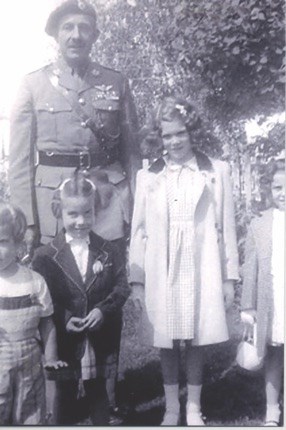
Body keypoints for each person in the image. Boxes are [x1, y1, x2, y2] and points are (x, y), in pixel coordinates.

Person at [129, 96, 239, 426]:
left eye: (180, 133)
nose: (174, 141)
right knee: (166, 338)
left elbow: (228, 228)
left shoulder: (216, 171)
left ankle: (193, 406)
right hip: (163, 266)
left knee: (195, 338)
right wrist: (137, 281)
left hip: (200, 264)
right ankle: (171, 407)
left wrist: (228, 277)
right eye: (167, 136)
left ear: (192, 132)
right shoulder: (148, 176)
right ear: (158, 138)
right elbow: (139, 231)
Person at [9, 0, 140, 252]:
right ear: (56, 35)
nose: (76, 36)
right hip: (54, 207)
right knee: (57, 281)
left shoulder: (116, 82)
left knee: (110, 279)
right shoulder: (32, 85)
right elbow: (19, 162)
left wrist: (137, 209)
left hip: (107, 203)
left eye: (84, 28)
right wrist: (27, 221)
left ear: (95, 36)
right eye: (68, 28)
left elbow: (132, 154)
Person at [32, 171, 130, 425]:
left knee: (99, 392)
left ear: (96, 211)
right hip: (64, 337)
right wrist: (64, 318)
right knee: (63, 394)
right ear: (59, 213)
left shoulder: (108, 251)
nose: (80, 221)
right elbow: (45, 297)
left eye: (87, 213)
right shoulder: (46, 255)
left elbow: (121, 287)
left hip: (101, 335)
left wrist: (103, 310)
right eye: (72, 214)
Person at [0, 201, 66, 425]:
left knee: (30, 411)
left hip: (30, 359)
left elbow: (47, 324)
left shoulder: (34, 281)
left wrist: (52, 357)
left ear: (18, 243)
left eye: (2, 242)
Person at [241, 159, 285, 426]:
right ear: (269, 189)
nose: (284, 192)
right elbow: (251, 268)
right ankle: (272, 410)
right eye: (278, 187)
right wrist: (248, 306)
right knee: (273, 356)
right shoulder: (260, 223)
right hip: (274, 301)